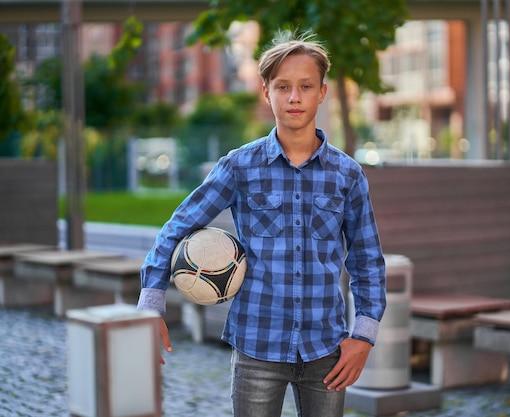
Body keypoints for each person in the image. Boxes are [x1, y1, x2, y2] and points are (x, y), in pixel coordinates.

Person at [138, 30, 386, 417]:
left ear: (322, 92)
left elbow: (367, 260)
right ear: (266, 92)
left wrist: (364, 337)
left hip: (327, 350)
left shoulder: (348, 175)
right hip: (256, 346)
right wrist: (152, 303)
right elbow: (178, 225)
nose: (294, 97)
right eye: (283, 86)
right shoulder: (240, 166)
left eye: (306, 86)